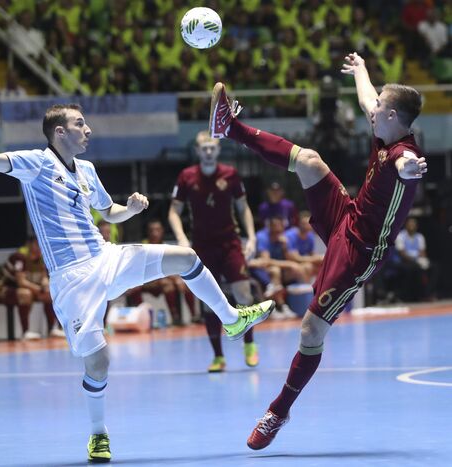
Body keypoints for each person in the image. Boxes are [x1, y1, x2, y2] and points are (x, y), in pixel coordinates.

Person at [0, 103, 274, 463]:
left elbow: (107, 211)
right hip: (72, 279)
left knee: (187, 258)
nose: (88, 130)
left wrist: (128, 209)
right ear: (59, 132)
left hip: (106, 257)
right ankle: (98, 434)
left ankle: (231, 319)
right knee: (98, 362)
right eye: (80, 124)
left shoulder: (86, 169)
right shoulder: (36, 164)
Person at [207, 51, 427, 449]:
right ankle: (230, 128)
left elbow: (405, 166)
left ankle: (278, 410)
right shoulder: (384, 130)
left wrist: (412, 169)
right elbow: (366, 99)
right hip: (349, 215)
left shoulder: (401, 154)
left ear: (393, 116)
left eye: (380, 106)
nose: (371, 108)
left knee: (310, 331)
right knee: (309, 160)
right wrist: (360, 70)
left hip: (359, 252)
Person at [168, 131, 260, 372]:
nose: (208, 152)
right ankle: (218, 356)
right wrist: (181, 238)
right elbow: (173, 211)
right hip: (201, 247)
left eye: (212, 148)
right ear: (198, 151)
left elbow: (243, 207)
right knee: (209, 300)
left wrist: (251, 237)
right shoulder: (186, 177)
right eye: (204, 148)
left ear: (218, 151)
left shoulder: (230, 174)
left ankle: (249, 344)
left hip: (230, 242)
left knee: (243, 294)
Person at [127, 220, 199, 327]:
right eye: (152, 230)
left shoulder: (167, 248)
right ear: (148, 232)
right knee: (167, 284)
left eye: (157, 230)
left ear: (162, 231)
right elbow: (139, 272)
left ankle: (193, 317)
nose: (155, 233)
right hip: (145, 282)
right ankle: (148, 321)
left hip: (164, 280)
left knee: (183, 284)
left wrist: (177, 279)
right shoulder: (142, 248)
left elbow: (174, 268)